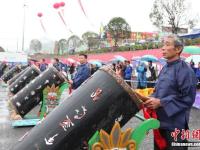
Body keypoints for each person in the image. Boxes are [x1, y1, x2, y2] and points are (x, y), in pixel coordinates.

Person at [142, 35, 197, 150]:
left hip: (175, 127)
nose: (163, 48)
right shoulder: (165, 68)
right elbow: (158, 92)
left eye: (167, 44)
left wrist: (161, 102)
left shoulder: (186, 70)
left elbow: (188, 98)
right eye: (163, 44)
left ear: (178, 49)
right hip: (159, 123)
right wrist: (148, 99)